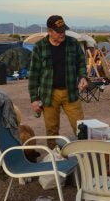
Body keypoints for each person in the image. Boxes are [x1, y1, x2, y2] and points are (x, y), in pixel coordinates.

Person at [28, 15, 88, 148]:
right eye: (59, 31)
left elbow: (81, 63)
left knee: (80, 127)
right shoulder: (39, 47)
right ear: (49, 31)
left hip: (71, 92)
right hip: (49, 95)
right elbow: (33, 75)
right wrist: (34, 99)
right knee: (52, 130)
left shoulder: (73, 43)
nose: (62, 34)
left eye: (64, 31)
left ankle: (84, 155)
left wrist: (83, 77)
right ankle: (54, 158)